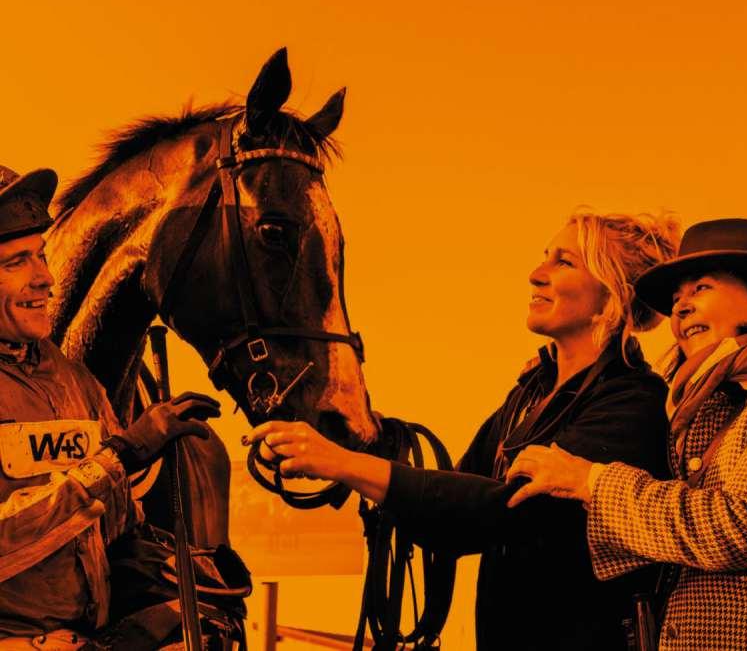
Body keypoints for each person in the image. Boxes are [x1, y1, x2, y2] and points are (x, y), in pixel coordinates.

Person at [245, 210, 681, 649]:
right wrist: (350, 439)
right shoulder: (531, 394)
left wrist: (343, 463)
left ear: (613, 297)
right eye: (545, 256)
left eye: (564, 262)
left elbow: (500, 513)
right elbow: (450, 505)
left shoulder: (634, 403)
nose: (536, 274)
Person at [505, 218, 747, 650]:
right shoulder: (698, 405)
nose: (680, 309)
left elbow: (738, 527)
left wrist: (593, 482)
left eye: (701, 288)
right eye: (676, 299)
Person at [0, 165, 221, 649]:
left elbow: (108, 524)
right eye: (16, 262)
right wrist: (119, 456)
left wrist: (169, 572)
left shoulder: (72, 379)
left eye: (41, 256)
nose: (46, 278)